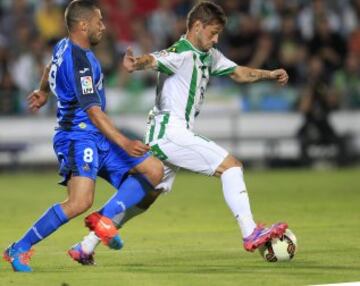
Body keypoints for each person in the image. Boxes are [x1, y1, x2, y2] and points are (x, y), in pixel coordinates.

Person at [71, 1, 289, 265]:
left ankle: (86, 245)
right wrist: (136, 63)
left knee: (145, 197)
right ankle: (250, 231)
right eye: (213, 32)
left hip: (169, 134)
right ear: (197, 26)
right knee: (231, 166)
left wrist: (269, 74)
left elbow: (238, 73)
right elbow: (154, 59)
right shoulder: (182, 52)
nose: (216, 38)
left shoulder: (210, 55)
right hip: (170, 132)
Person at [3, 0, 163, 272]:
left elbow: (48, 68)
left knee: (153, 170)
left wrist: (43, 91)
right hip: (78, 137)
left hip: (94, 135)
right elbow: (93, 112)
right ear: (83, 25)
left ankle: (105, 220)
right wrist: (123, 141)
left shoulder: (64, 45)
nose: (103, 26)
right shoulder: (80, 62)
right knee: (79, 202)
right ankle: (19, 247)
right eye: (99, 21)